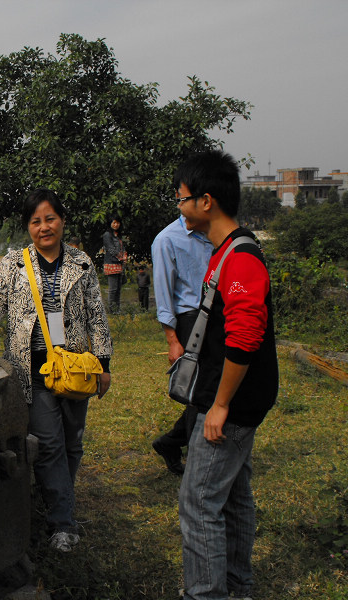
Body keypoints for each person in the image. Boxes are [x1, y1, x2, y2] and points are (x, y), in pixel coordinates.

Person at [0, 189, 113, 553]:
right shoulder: (14, 263)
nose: (44, 227)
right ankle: (63, 523)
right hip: (33, 369)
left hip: (76, 367)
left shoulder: (81, 263)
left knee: (72, 444)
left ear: (62, 221)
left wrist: (104, 363)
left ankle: (58, 499)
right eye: (36, 221)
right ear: (27, 227)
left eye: (50, 219)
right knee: (49, 445)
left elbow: (97, 315)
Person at [173, 151, 278, 600]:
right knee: (233, 495)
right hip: (225, 396)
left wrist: (219, 406)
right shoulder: (224, 252)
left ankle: (207, 593)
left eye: (181, 199)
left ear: (206, 201)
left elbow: (245, 338)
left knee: (198, 503)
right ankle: (237, 588)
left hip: (230, 403)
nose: (179, 208)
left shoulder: (242, 257)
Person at [150, 215, 213, 475]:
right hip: (189, 321)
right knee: (200, 393)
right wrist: (172, 340)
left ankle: (171, 442)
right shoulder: (167, 240)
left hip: (214, 317)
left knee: (207, 391)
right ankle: (196, 456)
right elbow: (164, 294)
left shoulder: (214, 233)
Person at [102, 216, 126, 313]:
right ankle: (111, 310)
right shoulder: (107, 235)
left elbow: (122, 248)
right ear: (110, 223)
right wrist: (121, 256)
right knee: (113, 289)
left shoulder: (118, 235)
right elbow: (111, 249)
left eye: (117, 223)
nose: (116, 225)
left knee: (118, 289)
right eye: (114, 223)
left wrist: (124, 256)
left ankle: (117, 309)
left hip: (119, 263)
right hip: (111, 263)